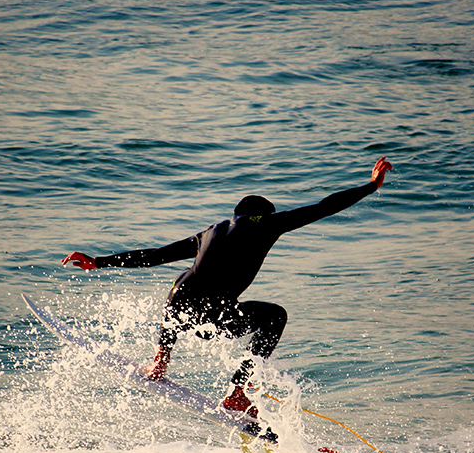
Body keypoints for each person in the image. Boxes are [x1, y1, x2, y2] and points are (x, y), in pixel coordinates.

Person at [62, 156, 392, 426]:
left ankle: (161, 359)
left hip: (182, 311)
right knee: (275, 316)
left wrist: (98, 262)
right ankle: (238, 392)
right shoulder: (265, 223)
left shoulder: (208, 233)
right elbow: (323, 206)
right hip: (216, 316)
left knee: (181, 281)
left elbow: (154, 255)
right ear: (265, 215)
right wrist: (371, 186)